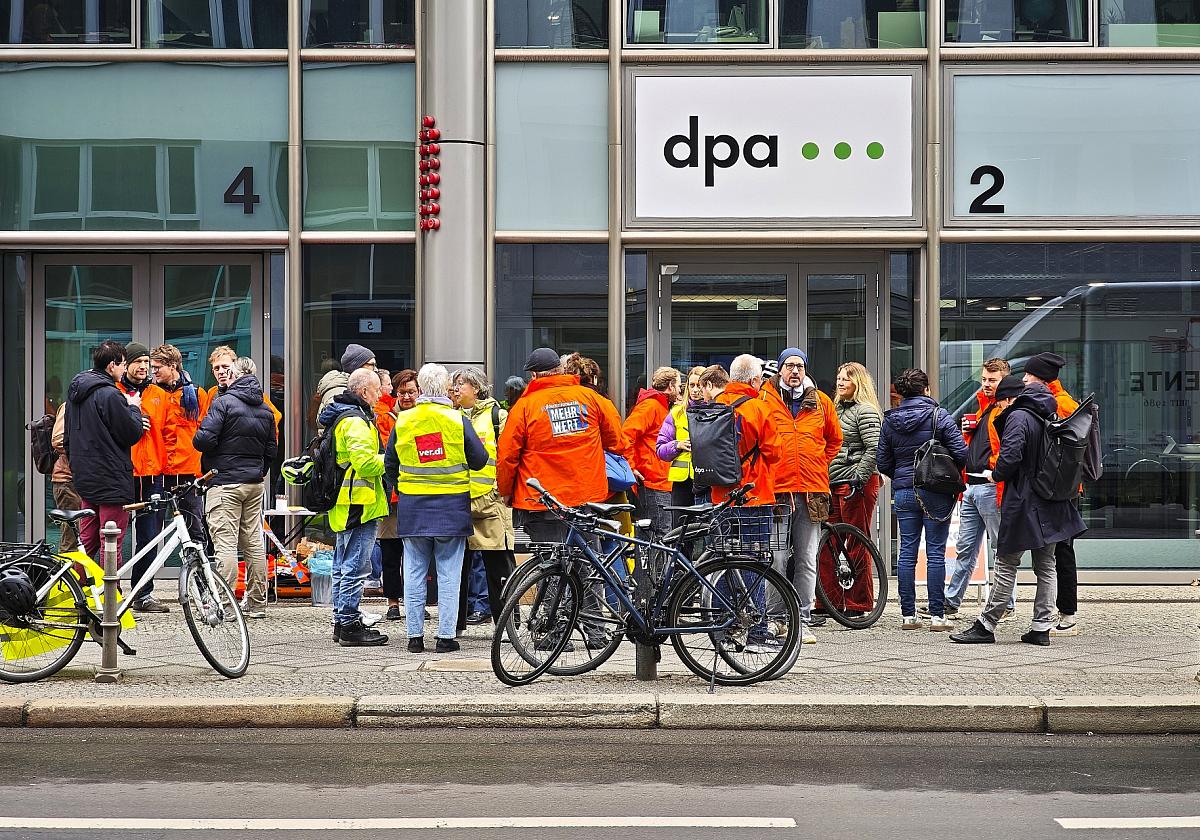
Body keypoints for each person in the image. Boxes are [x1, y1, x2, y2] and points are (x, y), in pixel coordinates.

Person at [950, 376, 1087, 646]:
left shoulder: (1018, 416)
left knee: (1006, 561)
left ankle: (986, 625)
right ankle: (1041, 627)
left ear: (1009, 399)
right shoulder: (1047, 414)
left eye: (1000, 402)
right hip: (1050, 500)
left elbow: (1010, 455)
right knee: (1046, 565)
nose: (999, 407)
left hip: (1024, 501)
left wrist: (996, 474)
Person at [383, 363, 487, 653]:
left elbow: (390, 464)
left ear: (421, 389)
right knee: (449, 574)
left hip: (413, 508)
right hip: (451, 509)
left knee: (414, 572)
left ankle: (414, 637)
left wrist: (404, 487)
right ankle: (445, 637)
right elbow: (480, 460)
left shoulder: (404, 421)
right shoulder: (457, 420)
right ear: (445, 388)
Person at [496, 347, 628, 545]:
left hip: (541, 500)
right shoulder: (592, 398)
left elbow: (507, 456)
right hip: (586, 495)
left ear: (533, 375)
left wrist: (506, 491)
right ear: (560, 370)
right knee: (588, 556)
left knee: (549, 558)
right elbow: (616, 442)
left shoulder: (524, 407)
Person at [759, 348, 841, 644]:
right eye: (789, 365)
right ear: (780, 369)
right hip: (777, 491)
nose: (795, 371)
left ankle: (802, 619)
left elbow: (835, 440)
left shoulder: (821, 402)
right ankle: (775, 619)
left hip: (811, 491)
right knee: (776, 559)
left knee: (806, 559)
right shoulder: (764, 399)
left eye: (800, 366)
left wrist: (817, 462)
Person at [877, 368, 968, 632]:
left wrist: (903, 475)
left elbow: (882, 462)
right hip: (936, 490)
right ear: (926, 390)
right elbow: (962, 453)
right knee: (936, 552)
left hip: (904, 491)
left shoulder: (890, 421)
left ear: (901, 393)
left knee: (907, 551)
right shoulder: (939, 416)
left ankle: (908, 615)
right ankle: (938, 616)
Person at [192, 353, 278, 619]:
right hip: (254, 483)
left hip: (224, 483)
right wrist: (258, 472)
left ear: (234, 375)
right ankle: (257, 603)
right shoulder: (265, 408)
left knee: (225, 544)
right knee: (254, 543)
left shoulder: (224, 403)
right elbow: (271, 450)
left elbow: (202, 441)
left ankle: (225, 604)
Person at [317, 368, 391, 647]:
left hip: (347, 503)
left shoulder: (344, 416)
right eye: (376, 389)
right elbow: (365, 464)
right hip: (359, 504)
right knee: (355, 566)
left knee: (342, 564)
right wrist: (391, 459)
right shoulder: (356, 422)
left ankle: (342, 621)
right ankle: (349, 624)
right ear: (363, 392)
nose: (380, 394)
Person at [942, 357, 1013, 620]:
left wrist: (995, 473)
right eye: (984, 379)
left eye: (992, 380)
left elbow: (1006, 450)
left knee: (1000, 548)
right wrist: (968, 432)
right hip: (973, 486)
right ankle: (952, 601)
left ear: (1004, 380)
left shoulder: (1006, 410)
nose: (986, 384)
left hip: (989, 487)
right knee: (966, 548)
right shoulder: (985, 408)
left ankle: (1005, 604)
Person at [62, 341, 145, 565]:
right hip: (111, 479)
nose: (124, 369)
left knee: (87, 541)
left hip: (85, 478)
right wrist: (133, 407)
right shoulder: (110, 395)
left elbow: (67, 437)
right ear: (111, 365)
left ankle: (77, 586)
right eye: (123, 364)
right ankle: (111, 589)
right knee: (111, 542)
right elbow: (131, 433)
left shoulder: (76, 393)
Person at [1022, 351, 1083, 638]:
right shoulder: (1056, 401)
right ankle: (1062, 612)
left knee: (1062, 551)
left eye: (1029, 375)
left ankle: (1067, 613)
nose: (1024, 379)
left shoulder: (1061, 405)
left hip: (1060, 488)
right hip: (1060, 486)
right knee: (1058, 550)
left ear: (1041, 379)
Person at [451, 366, 515, 631]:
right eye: (454, 385)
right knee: (456, 567)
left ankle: (507, 625)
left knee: (498, 565)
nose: (455, 390)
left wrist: (501, 490)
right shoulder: (451, 416)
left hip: (491, 502)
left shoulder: (498, 416)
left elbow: (509, 455)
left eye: (461, 384)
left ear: (476, 388)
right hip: (459, 501)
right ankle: (454, 624)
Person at [825, 361, 883, 619]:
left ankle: (858, 603)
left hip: (856, 483)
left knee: (857, 541)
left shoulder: (865, 410)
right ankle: (828, 601)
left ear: (858, 382)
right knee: (828, 543)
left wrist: (859, 477)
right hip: (835, 482)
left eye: (846, 378)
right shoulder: (835, 409)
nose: (840, 382)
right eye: (839, 377)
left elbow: (874, 447)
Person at [115, 342, 168, 613]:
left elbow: (168, 434)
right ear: (126, 364)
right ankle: (111, 593)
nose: (143, 367)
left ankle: (143, 593)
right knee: (115, 536)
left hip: (152, 475)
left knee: (149, 537)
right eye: (138, 362)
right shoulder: (114, 393)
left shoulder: (159, 394)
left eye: (146, 362)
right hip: (124, 473)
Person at [147, 344, 210, 544]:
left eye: (157, 367)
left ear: (172, 366)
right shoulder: (150, 394)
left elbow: (206, 431)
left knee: (194, 528)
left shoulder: (197, 394)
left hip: (187, 472)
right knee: (150, 532)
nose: (153, 371)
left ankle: (196, 564)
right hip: (157, 471)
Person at [380, 369, 418, 621]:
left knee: (417, 554)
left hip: (416, 494)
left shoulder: (424, 415)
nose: (406, 397)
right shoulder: (384, 417)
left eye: (411, 392)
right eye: (402, 392)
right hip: (391, 494)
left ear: (419, 392)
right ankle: (393, 601)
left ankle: (416, 601)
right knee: (390, 551)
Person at [623, 366, 680, 536]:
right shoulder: (651, 406)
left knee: (658, 533)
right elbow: (626, 435)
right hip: (653, 480)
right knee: (661, 534)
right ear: (670, 386)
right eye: (678, 386)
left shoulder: (658, 405)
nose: (680, 391)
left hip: (658, 479)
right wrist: (631, 467)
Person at [656, 365, 708, 512]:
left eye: (699, 385)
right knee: (680, 524)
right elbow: (660, 449)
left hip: (707, 479)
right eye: (692, 385)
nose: (695, 390)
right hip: (682, 483)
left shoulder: (715, 411)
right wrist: (677, 445)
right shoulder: (677, 413)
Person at [316, 343, 376, 424]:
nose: (376, 369)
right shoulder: (339, 391)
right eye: (372, 365)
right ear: (357, 366)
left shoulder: (349, 388)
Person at [49, 402, 81, 552]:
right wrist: (87, 448)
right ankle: (64, 567)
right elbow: (58, 440)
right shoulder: (69, 406)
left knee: (81, 538)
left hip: (80, 479)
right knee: (71, 539)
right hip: (67, 479)